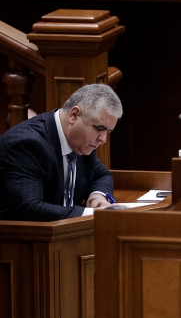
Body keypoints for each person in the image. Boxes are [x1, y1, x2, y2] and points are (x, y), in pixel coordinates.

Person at [0, 83, 123, 221]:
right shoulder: (26, 144)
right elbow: (29, 208)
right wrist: (93, 214)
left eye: (108, 131)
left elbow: (102, 175)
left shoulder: (80, 141)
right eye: (99, 128)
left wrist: (97, 196)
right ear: (74, 115)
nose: (103, 139)